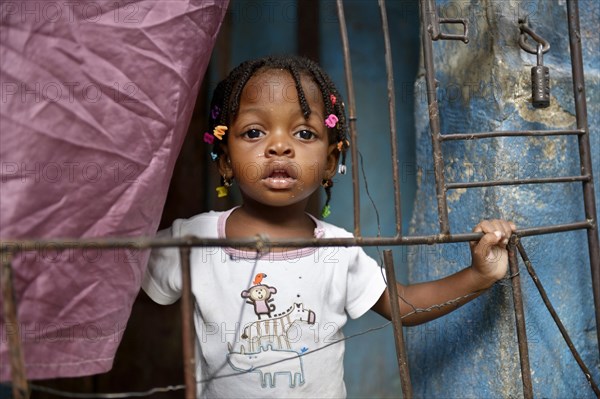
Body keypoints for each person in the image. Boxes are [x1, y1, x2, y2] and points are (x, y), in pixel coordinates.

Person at [142, 55, 516, 397]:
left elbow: (403, 307)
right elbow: (109, 277)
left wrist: (479, 275)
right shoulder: (193, 241)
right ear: (225, 160)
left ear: (329, 161)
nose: (279, 147)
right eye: (254, 132)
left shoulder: (338, 248)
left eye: (304, 133)